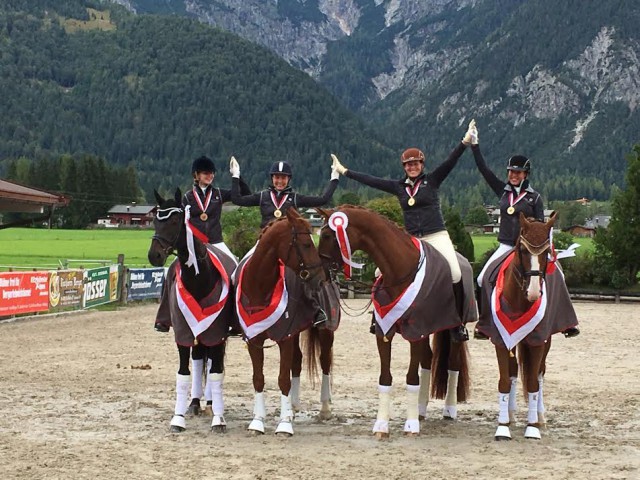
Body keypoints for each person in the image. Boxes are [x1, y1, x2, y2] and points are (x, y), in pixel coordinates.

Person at [332, 122, 477, 342]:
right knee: (380, 274)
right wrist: (344, 171)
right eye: (408, 165)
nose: (412, 167)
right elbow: (371, 180)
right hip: (411, 239)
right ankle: (379, 319)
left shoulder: (433, 180)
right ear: (404, 167)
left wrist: (465, 142)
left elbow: (451, 162)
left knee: (455, 273)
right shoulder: (398, 187)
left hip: (435, 235)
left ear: (422, 164)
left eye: (416, 164)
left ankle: (457, 324)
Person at [469, 123, 580, 339]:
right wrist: (475, 146)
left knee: (559, 275)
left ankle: (566, 322)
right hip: (507, 245)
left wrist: (547, 249)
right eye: (511, 171)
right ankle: (484, 324)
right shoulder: (502, 191)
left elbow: (541, 226)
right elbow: (484, 170)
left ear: (525, 173)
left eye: (517, 172)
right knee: (482, 278)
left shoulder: (534, 198)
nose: (513, 175)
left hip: (530, 248)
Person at [229, 155, 340, 326]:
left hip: (289, 246)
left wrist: (334, 177)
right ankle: (235, 314)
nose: (280, 181)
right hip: (264, 244)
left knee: (303, 274)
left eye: (283, 178)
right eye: (277, 177)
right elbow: (237, 200)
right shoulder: (262, 196)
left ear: (288, 179)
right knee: (238, 272)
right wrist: (236, 176)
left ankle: (315, 308)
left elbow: (322, 199)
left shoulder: (295, 198)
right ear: (272, 178)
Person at [154, 155, 251, 333]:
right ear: (196, 175)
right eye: (206, 173)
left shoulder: (219, 194)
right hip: (194, 244)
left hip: (216, 242)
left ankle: (236, 318)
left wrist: (236, 175)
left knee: (236, 273)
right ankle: (164, 317)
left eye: (211, 173)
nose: (210, 176)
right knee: (171, 272)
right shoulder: (187, 197)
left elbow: (245, 194)